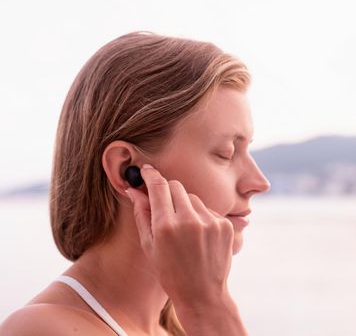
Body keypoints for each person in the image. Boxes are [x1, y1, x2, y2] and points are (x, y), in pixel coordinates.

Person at [0, 31, 271, 335]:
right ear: (128, 169)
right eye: (226, 153)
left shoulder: (174, 327)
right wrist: (208, 305)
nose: (258, 182)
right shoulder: (42, 329)